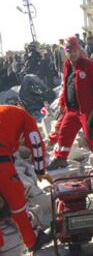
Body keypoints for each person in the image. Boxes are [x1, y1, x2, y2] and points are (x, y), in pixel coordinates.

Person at [48, 36, 93, 172]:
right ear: (66, 52)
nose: (73, 53)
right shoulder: (67, 66)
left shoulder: (89, 66)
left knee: (90, 136)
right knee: (64, 132)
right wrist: (63, 103)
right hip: (71, 110)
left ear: (79, 50)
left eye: (75, 50)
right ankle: (61, 158)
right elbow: (66, 86)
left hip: (87, 110)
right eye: (70, 51)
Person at [0, 104, 51, 253]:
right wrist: (40, 170)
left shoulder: (5, 113)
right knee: (17, 201)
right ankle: (33, 240)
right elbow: (36, 144)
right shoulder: (25, 116)